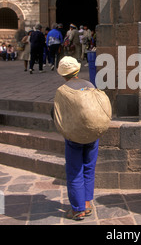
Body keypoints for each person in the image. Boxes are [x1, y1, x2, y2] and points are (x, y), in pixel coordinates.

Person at [53, 56, 97, 221]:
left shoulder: (62, 91)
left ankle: (78, 209)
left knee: (75, 170)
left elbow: (57, 115)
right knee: (88, 168)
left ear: (63, 74)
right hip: (92, 133)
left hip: (74, 136)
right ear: (77, 70)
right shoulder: (90, 85)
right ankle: (86, 203)